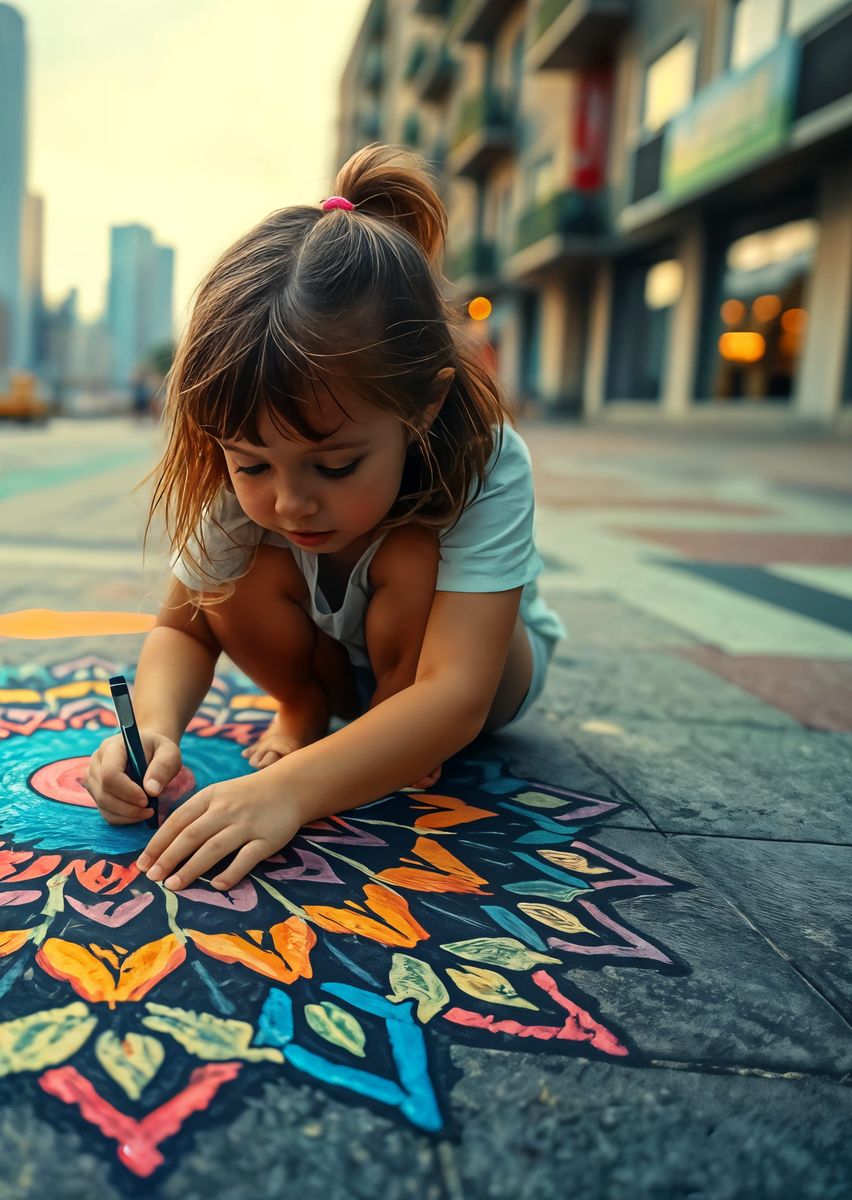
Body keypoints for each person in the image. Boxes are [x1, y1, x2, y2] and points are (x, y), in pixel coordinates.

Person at [83, 143, 565, 895]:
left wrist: (290, 791)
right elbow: (181, 628)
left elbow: (459, 693)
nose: (290, 500)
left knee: (412, 550)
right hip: (340, 670)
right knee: (233, 573)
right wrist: (151, 730)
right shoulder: (250, 462)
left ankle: (394, 737)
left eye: (335, 465)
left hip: (475, 675)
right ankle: (308, 711)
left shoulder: (486, 455)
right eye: (251, 465)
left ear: (423, 407)